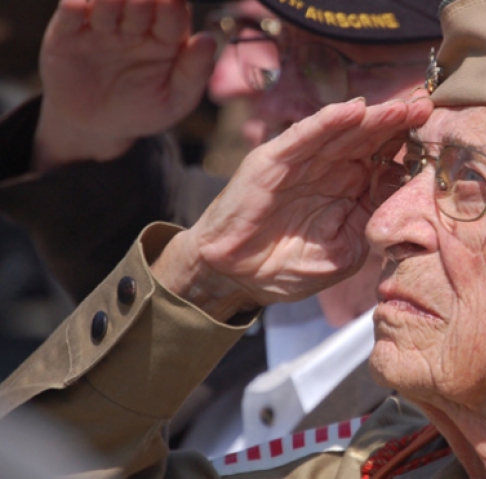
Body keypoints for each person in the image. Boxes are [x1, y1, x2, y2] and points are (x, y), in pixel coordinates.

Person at [2, 0, 486, 477]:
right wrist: (202, 281)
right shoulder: (407, 459)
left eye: (469, 182)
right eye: (418, 165)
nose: (387, 221)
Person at [0, 0, 439, 456]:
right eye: (277, 51)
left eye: (327, 63)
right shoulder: (230, 229)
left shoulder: (468, 370)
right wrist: (83, 123)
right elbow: (107, 212)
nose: (273, 100)